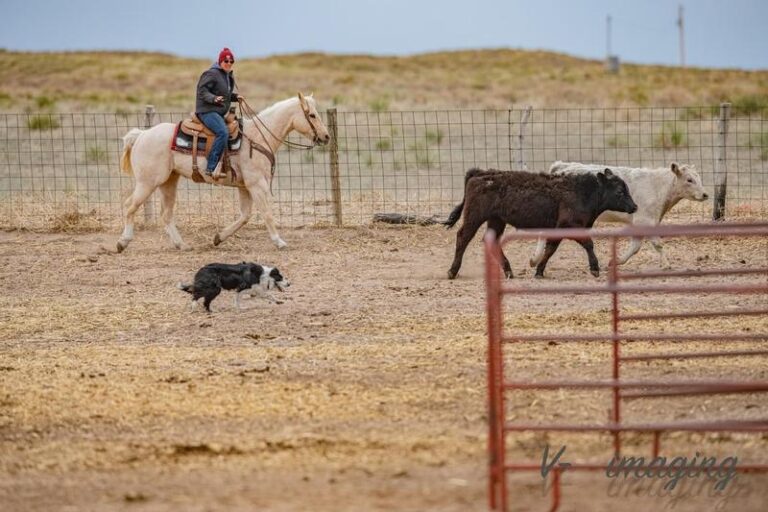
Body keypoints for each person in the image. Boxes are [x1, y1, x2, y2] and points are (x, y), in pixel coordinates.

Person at [195, 47, 244, 177]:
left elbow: (224, 94)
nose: (228, 63)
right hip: (207, 111)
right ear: (220, 61)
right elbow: (202, 91)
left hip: (217, 112)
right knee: (223, 132)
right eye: (226, 60)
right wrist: (213, 98)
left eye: (231, 61)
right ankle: (211, 167)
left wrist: (235, 97)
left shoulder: (226, 76)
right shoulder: (211, 74)